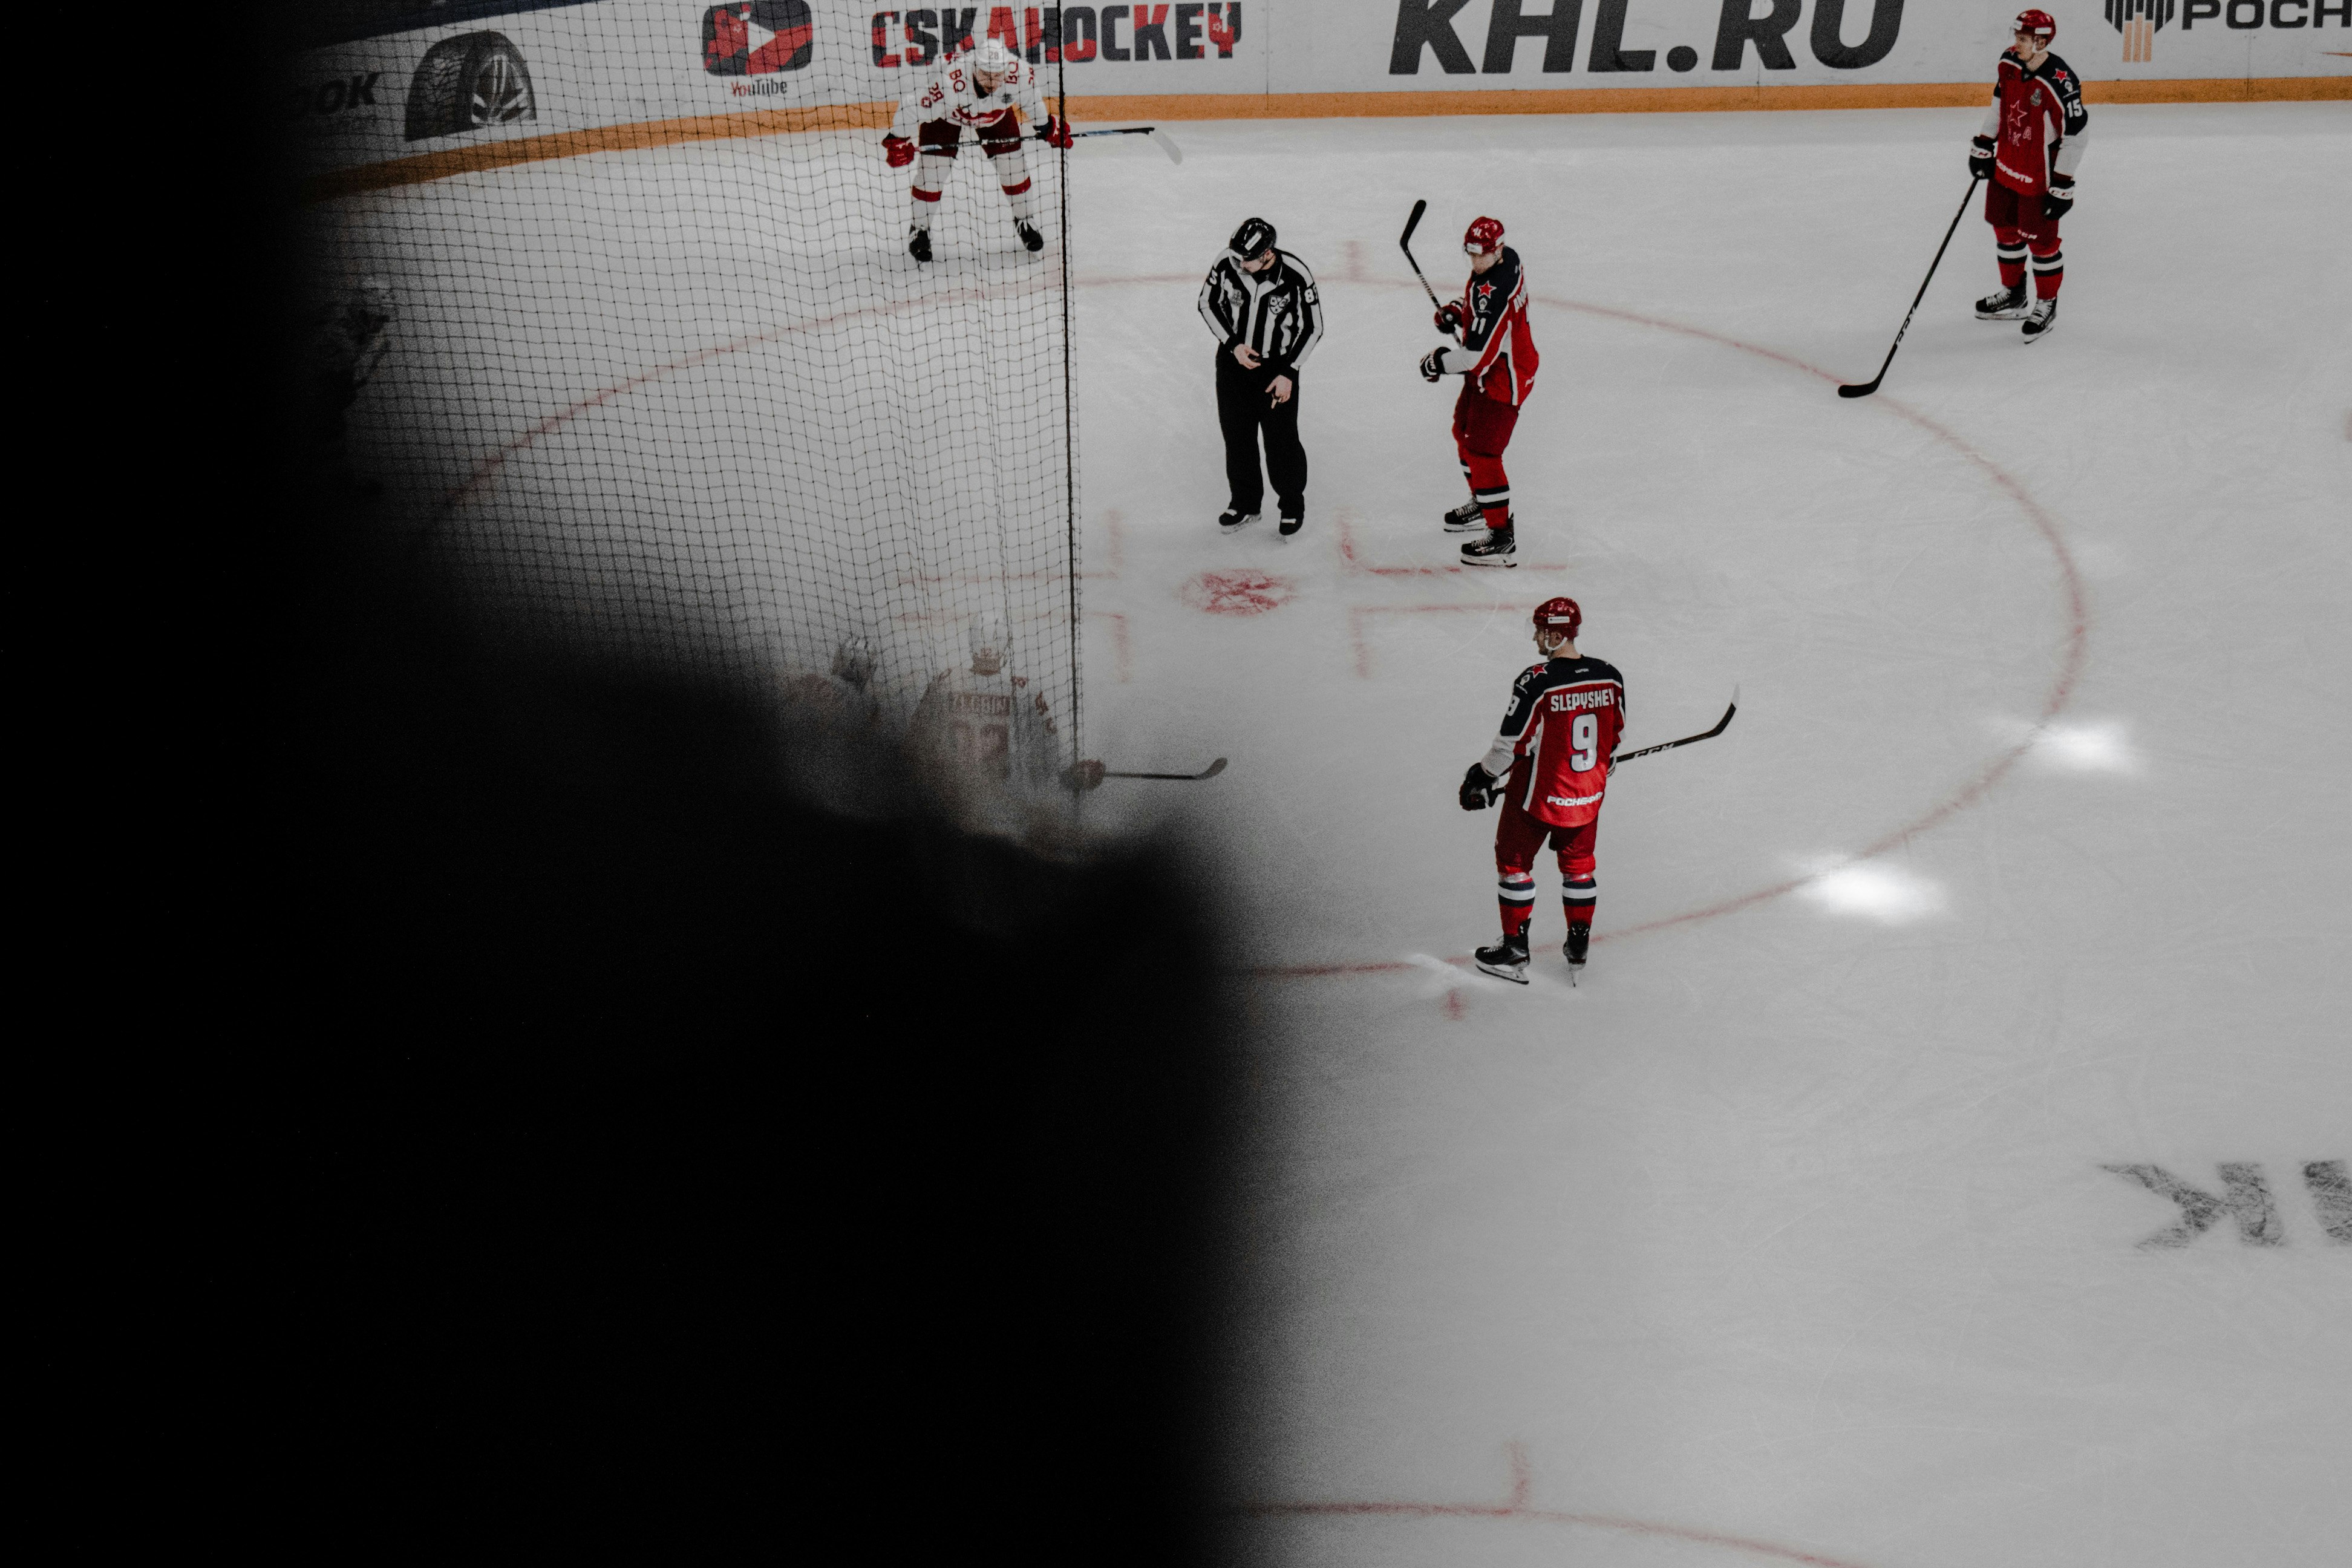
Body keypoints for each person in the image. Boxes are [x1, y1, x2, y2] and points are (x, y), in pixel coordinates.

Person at [1458, 598, 1624, 985]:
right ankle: (1578, 946)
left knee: (1514, 864)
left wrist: (1481, 777)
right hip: (1587, 799)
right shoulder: (1610, 676)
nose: (1535, 637)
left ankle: (1514, 952)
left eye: (1539, 630)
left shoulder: (1538, 680)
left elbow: (1509, 745)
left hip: (1538, 798)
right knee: (1580, 868)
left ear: (1555, 632)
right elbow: (1613, 742)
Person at [884, 38, 1074, 263]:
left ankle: (1025, 220)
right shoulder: (950, 82)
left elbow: (1032, 102)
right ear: (974, 67)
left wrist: (1046, 127)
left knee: (1013, 167)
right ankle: (920, 229)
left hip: (996, 117)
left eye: (997, 76)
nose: (992, 82)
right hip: (948, 117)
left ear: (1006, 70)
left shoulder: (1020, 74)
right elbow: (911, 106)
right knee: (932, 174)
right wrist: (897, 139)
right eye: (985, 75)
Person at [1420, 217, 1538, 567]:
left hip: (1503, 381)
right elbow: (1478, 303)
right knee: (1462, 431)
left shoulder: (1498, 290)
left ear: (1497, 249)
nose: (1475, 261)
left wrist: (1438, 362)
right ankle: (1482, 501)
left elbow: (1476, 357)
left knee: (1483, 453)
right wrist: (1458, 310)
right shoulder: (1506, 260)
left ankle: (1501, 536)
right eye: (1469, 253)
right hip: (1489, 374)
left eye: (1480, 255)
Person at [1196, 217, 1324, 537]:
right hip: (1233, 363)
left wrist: (1289, 372)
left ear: (1268, 254)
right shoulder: (1227, 261)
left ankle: (1292, 506)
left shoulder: (1296, 275)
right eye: (1237, 256)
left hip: (1276, 371)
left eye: (1248, 259)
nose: (1240, 264)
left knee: (1281, 442)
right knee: (1237, 437)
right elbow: (1207, 303)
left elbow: (1313, 327)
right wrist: (1233, 345)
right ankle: (1245, 503)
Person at [1968, 10, 2086, 344]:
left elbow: (2077, 134)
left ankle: (2047, 303)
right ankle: (2014, 294)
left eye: (2022, 39)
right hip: (2007, 162)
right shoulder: (2009, 62)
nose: (2015, 43)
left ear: (2041, 41)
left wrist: (2063, 182)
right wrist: (1984, 142)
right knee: (2004, 228)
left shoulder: (2059, 80)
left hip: (2040, 174)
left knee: (2042, 242)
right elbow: (1999, 102)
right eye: (2016, 36)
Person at [910, 612, 1064, 806]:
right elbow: (1051, 743)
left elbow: (915, 737)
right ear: (1006, 645)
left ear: (970, 642)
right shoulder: (1025, 688)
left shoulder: (946, 681)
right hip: (1009, 799)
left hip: (952, 799)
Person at [310, 276, 394, 490]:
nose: (380, 326)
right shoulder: (336, 329)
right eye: (379, 319)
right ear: (364, 313)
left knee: (332, 429)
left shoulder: (355, 329)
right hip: (318, 385)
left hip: (328, 383)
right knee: (329, 428)